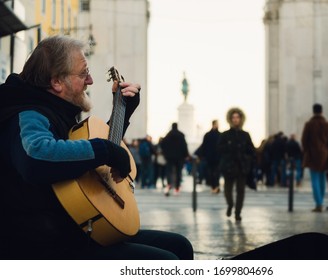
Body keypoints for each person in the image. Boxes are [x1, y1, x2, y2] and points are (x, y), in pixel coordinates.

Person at [0, 35, 193, 260]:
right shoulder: (28, 112)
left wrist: (124, 111)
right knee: (165, 262)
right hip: (41, 245)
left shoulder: (56, 109)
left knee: (180, 246)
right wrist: (106, 151)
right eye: (83, 73)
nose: (90, 80)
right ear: (57, 82)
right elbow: (36, 156)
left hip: (73, 230)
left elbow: (85, 159)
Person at [218, 107, 255, 221]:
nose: (235, 119)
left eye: (237, 117)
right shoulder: (225, 135)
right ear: (230, 119)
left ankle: (238, 212)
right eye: (233, 117)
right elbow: (219, 148)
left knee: (241, 191)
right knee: (228, 189)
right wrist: (229, 147)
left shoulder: (245, 135)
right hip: (229, 166)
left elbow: (251, 149)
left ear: (241, 119)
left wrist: (246, 156)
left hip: (241, 166)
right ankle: (230, 205)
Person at [301, 104, 328, 212]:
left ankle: (319, 203)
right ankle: (320, 201)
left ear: (313, 111)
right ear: (322, 111)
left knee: (315, 180)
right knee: (322, 179)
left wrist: (308, 149)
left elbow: (304, 141)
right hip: (325, 155)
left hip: (312, 155)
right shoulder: (327, 125)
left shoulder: (309, 124)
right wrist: (327, 148)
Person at [161, 122, 189, 196]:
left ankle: (169, 184)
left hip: (170, 157)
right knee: (178, 172)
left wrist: (165, 153)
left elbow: (162, 144)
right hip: (179, 157)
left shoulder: (168, 135)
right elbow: (184, 146)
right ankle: (177, 187)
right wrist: (186, 155)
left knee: (169, 171)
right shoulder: (181, 135)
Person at [197, 120, 221, 193]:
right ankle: (214, 186)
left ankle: (215, 186)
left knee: (214, 172)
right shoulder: (218, 135)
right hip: (213, 157)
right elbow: (204, 146)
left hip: (213, 157)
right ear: (214, 124)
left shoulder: (208, 135)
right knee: (213, 172)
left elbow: (203, 146)